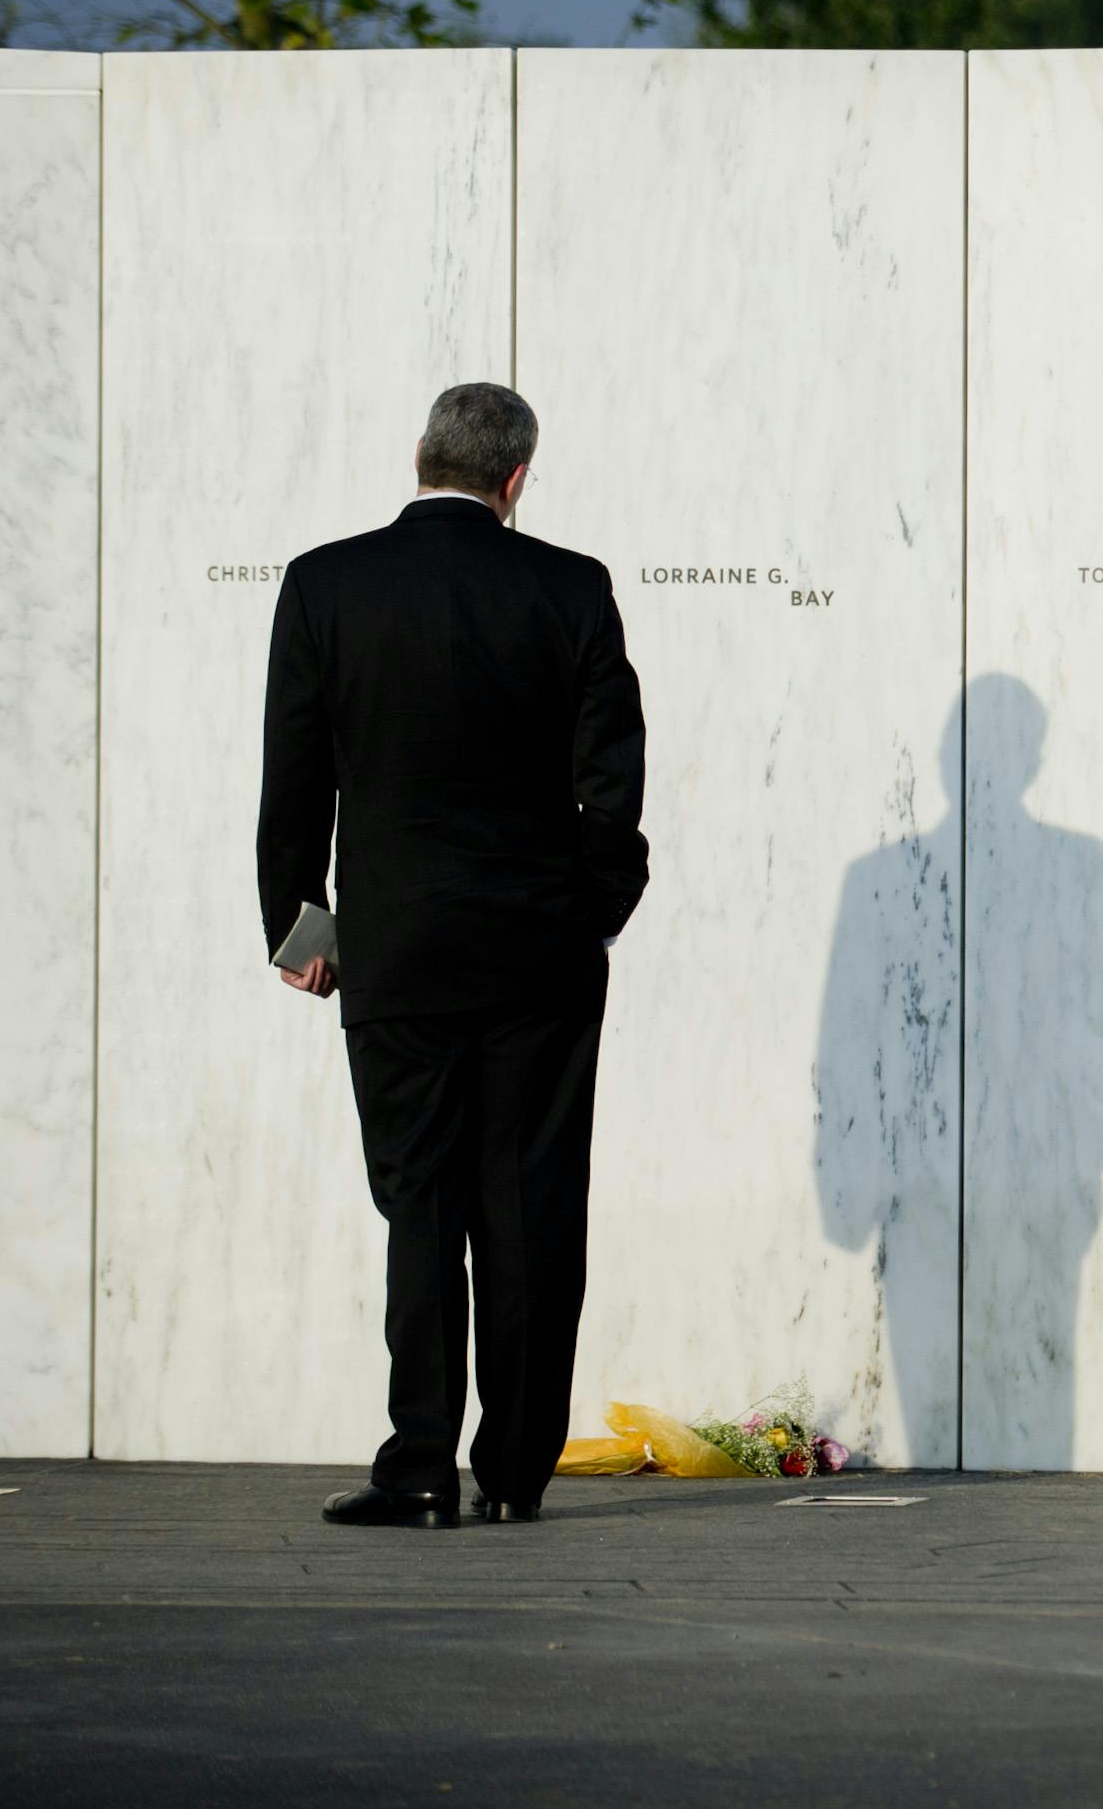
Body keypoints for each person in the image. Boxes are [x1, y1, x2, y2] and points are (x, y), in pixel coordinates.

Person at [258, 381, 648, 1529]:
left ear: (420, 455)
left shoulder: (326, 584)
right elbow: (611, 781)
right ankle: (517, 1470)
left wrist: (302, 926)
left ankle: (420, 1464)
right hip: (539, 958)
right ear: (515, 480)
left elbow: (297, 778)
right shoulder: (569, 587)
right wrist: (593, 911)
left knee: (419, 1202)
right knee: (528, 1209)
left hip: (398, 953)